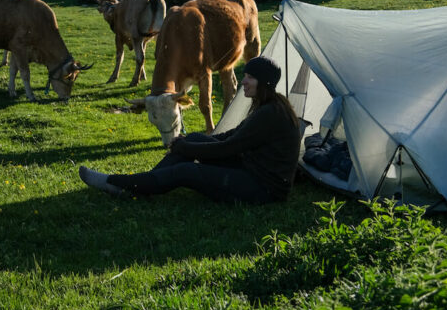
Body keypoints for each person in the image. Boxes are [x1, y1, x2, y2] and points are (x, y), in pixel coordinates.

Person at [79, 56, 301, 204]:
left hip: (264, 189)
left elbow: (229, 148)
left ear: (264, 83)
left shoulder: (271, 113)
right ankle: (141, 184)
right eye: (245, 76)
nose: (243, 81)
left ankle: (121, 184)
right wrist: (190, 143)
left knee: (186, 171)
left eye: (250, 77)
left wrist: (186, 147)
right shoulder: (268, 105)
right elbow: (232, 136)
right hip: (251, 169)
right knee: (195, 138)